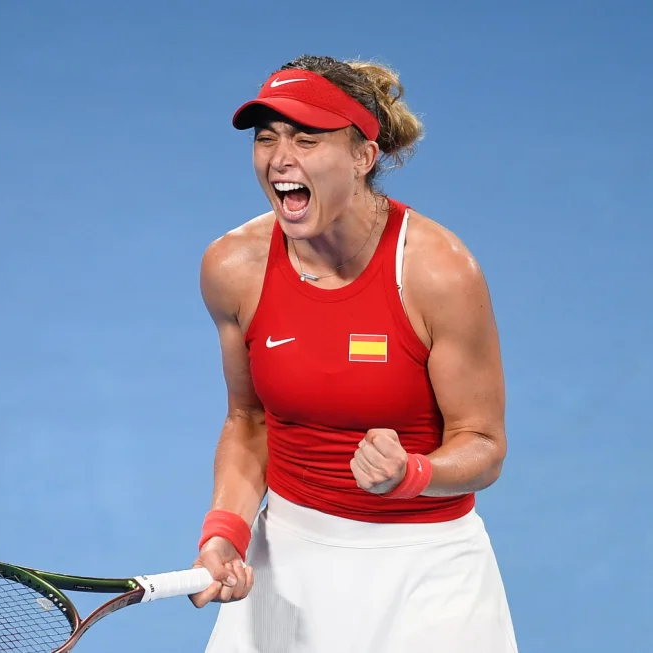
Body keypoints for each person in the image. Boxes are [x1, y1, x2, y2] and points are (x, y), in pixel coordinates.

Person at [186, 54, 519, 652]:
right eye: (267, 139)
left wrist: (413, 473)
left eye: (307, 139)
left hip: (425, 572)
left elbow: (485, 445)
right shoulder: (233, 267)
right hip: (285, 560)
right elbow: (249, 420)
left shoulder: (437, 271)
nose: (280, 159)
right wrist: (225, 533)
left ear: (364, 157)